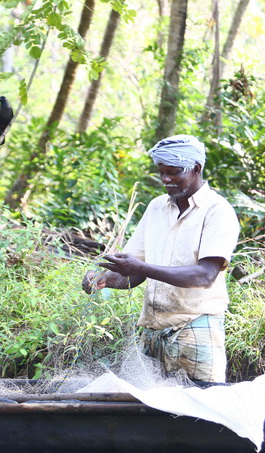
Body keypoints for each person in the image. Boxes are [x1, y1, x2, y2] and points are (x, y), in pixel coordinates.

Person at [82, 135, 240, 383]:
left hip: (196, 331)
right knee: (153, 415)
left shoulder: (217, 210)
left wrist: (141, 267)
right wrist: (104, 280)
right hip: (154, 333)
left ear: (196, 169)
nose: (166, 179)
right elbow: (135, 274)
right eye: (161, 172)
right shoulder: (156, 208)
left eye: (174, 172)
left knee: (200, 413)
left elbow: (205, 276)